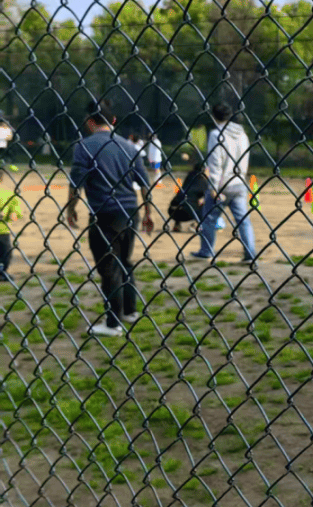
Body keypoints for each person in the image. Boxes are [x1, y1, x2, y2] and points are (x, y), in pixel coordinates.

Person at [67, 100, 154, 337]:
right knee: (125, 261)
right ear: (113, 120)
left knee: (109, 267)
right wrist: (148, 212)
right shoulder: (129, 146)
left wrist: (71, 208)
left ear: (89, 122)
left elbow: (76, 182)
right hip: (130, 211)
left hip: (104, 213)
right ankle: (130, 311)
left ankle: (112, 322)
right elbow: (144, 183)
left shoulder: (85, 146)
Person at [190, 103, 257, 265]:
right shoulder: (242, 134)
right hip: (239, 182)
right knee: (243, 221)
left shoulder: (216, 134)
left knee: (208, 218)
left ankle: (206, 251)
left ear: (214, 116)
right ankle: (250, 254)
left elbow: (215, 162)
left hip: (222, 184)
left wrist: (213, 186)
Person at [166, 159, 209, 233]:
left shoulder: (189, 177)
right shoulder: (202, 180)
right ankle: (196, 225)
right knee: (206, 202)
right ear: (203, 170)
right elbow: (203, 197)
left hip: (172, 211)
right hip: (188, 213)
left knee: (184, 199)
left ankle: (177, 225)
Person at [0, 165, 22, 282]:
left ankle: (3, 272)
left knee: (5, 252)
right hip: (3, 229)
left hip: (3, 229)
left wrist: (13, 213)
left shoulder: (8, 193)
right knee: (5, 251)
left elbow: (16, 208)